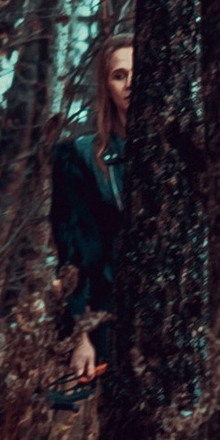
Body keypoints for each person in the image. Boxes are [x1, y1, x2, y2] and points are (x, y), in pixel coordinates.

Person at [50, 31, 133, 388]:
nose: (130, 84)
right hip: (110, 310)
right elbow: (77, 252)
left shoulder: (185, 144)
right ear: (106, 87)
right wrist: (81, 335)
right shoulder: (82, 158)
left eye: (137, 72)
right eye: (119, 75)